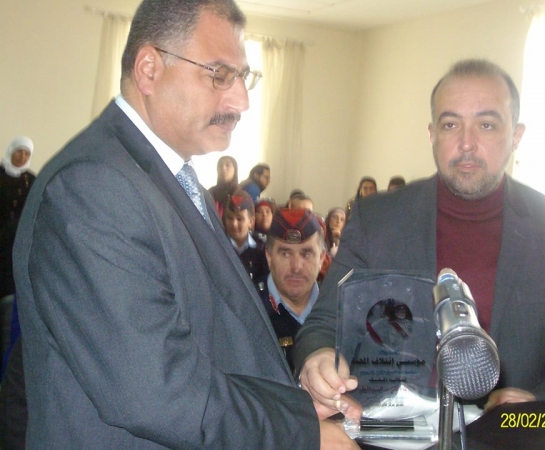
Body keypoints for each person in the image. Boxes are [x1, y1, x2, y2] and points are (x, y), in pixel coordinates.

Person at [13, 0, 359, 448]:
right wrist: (301, 433)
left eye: (244, 77)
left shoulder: (169, 172)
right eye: (220, 74)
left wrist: (294, 405)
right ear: (149, 70)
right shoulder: (93, 186)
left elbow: (217, 338)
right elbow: (155, 389)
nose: (242, 100)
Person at [294, 59, 545, 418]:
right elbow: (324, 325)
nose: (466, 143)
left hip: (504, 437)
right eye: (451, 124)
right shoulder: (375, 219)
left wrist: (536, 405)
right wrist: (317, 359)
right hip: (384, 434)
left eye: (486, 125)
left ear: (516, 137)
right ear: (432, 134)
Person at [256, 208, 326, 373]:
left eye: (306, 254)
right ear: (269, 257)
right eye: (286, 254)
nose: (296, 267)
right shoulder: (248, 307)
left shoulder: (337, 308)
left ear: (321, 259)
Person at [0, 136, 35, 371]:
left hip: (14, 256)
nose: (22, 157)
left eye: (26, 153)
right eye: (19, 152)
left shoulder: (31, 181)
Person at [223, 189, 269, 282]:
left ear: (251, 222)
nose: (234, 224)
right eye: (230, 218)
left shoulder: (262, 247)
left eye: (239, 219)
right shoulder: (219, 244)